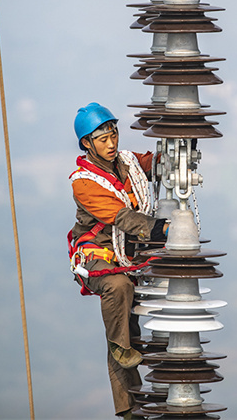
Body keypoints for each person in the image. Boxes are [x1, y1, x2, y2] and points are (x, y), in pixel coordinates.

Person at [68, 102, 168, 420]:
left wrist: (179, 149)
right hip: (99, 260)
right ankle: (127, 405)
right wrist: (158, 228)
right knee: (118, 289)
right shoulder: (83, 182)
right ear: (87, 143)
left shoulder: (127, 163)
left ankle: (139, 397)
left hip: (129, 257)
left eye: (113, 134)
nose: (111, 143)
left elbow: (153, 164)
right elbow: (119, 216)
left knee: (133, 320)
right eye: (102, 138)